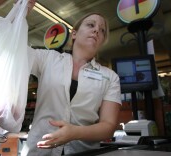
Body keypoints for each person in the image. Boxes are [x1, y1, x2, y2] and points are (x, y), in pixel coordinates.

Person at [20, 1, 122, 155]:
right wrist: (21, 13)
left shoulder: (110, 77)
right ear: (74, 33)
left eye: (102, 30)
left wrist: (75, 133)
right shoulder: (48, 59)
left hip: (82, 152)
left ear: (101, 41)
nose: (96, 31)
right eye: (90, 25)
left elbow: (108, 126)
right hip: (39, 150)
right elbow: (13, 51)